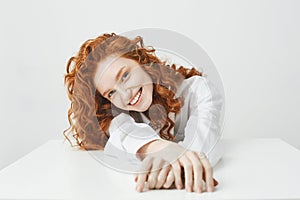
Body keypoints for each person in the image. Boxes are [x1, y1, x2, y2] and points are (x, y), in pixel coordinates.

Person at [64, 33, 224, 193]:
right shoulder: (120, 118)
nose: (125, 95)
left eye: (125, 76)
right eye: (111, 93)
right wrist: (161, 148)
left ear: (141, 62)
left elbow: (204, 147)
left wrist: (172, 165)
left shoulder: (199, 90)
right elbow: (123, 133)